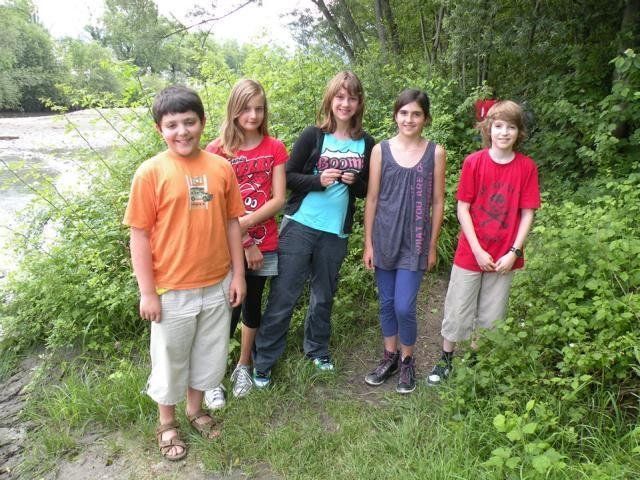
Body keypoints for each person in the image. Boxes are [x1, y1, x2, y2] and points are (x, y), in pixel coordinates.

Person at [123, 85, 246, 461]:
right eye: (172, 125)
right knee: (170, 358)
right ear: (159, 129)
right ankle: (167, 422)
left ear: (203, 122)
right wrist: (147, 292)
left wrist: (238, 275)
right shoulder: (150, 173)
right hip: (171, 290)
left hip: (217, 283)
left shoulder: (221, 167)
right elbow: (139, 235)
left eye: (189, 122)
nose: (182, 131)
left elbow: (232, 224)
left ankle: (195, 410)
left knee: (209, 353)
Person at [251, 71, 375, 387]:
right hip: (300, 225)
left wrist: (354, 182)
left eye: (351, 98)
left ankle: (317, 350)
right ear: (330, 100)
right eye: (340, 97)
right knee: (284, 293)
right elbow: (288, 177)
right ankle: (263, 361)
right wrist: (318, 180)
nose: (345, 103)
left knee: (324, 295)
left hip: (335, 232)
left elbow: (366, 191)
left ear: (359, 103)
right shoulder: (313, 135)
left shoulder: (366, 143)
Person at [427, 100, 541, 386]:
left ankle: (476, 361)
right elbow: (462, 208)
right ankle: (446, 359)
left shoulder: (526, 167)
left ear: (519, 132)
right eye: (498, 126)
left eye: (511, 127)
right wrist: (477, 250)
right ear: (488, 128)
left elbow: (527, 213)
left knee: (492, 314)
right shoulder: (474, 162)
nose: (504, 132)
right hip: (471, 251)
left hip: (505, 254)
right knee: (458, 307)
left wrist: (514, 252)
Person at [203, 79, 287, 404]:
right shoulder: (216, 151)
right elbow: (215, 202)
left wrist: (249, 228)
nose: (253, 115)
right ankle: (212, 376)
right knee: (225, 308)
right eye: (246, 108)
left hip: (265, 245)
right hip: (226, 247)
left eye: (259, 108)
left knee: (252, 304)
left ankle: (243, 365)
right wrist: (246, 238)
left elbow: (278, 199)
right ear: (234, 110)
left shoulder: (275, 148)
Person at [362, 89, 446, 394]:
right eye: (404, 113)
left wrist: (432, 245)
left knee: (403, 306)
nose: (409, 119)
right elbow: (372, 198)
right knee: (386, 303)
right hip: (384, 238)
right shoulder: (380, 150)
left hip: (416, 241)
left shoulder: (435, 153)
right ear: (395, 115)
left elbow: (438, 201)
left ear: (426, 118)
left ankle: (408, 359)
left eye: (416, 114)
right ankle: (390, 357)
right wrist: (368, 243)